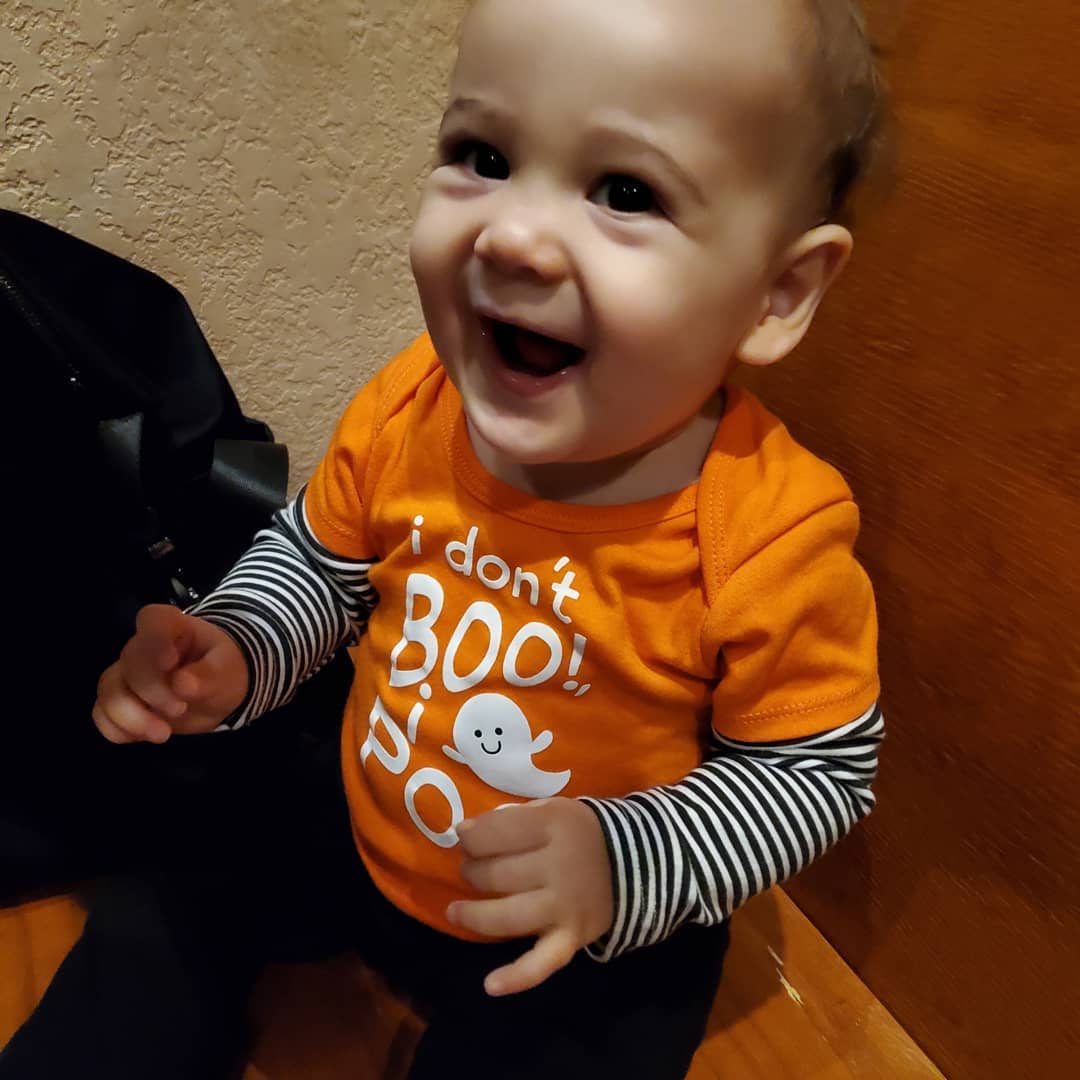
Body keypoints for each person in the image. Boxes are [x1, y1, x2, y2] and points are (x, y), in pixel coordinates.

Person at [1, 0, 885, 1076]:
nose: (510, 235)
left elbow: (815, 769)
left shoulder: (770, 527)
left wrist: (626, 864)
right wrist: (235, 647)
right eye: (485, 156)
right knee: (188, 834)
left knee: (619, 1024)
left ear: (777, 294)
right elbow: (319, 563)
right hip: (360, 819)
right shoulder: (413, 403)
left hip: (570, 922)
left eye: (625, 192)